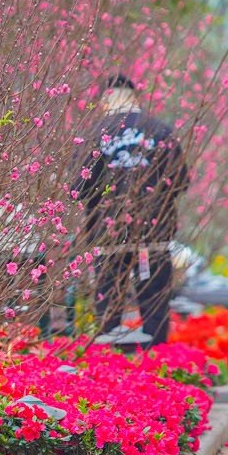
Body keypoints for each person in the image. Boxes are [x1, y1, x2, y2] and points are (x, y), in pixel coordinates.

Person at [74, 75, 189, 344]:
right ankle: (156, 366)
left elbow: (78, 187)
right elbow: (181, 182)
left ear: (105, 100)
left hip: (107, 236)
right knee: (154, 305)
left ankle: (111, 369)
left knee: (108, 308)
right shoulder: (160, 131)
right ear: (134, 97)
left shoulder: (95, 134)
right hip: (154, 235)